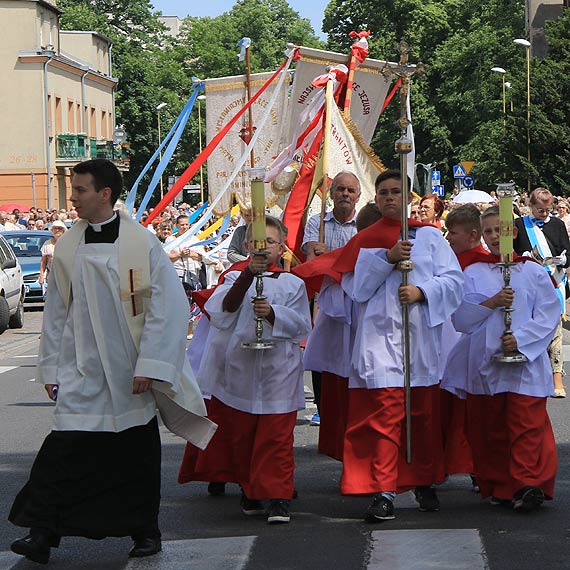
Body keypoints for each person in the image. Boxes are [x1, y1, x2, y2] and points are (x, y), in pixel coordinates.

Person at [8, 159, 215, 564]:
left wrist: (151, 365)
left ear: (104, 193)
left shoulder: (142, 243)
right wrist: (50, 368)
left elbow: (167, 308)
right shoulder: (68, 244)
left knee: (133, 458)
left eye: (80, 190)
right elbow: (56, 312)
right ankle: (42, 531)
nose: (73, 199)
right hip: (82, 367)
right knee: (62, 451)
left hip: (128, 371)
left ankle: (146, 532)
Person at [298, 169, 463, 522]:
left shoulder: (432, 240)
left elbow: (453, 282)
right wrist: (386, 259)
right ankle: (383, 489)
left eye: (396, 192)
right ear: (375, 199)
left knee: (419, 417)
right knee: (381, 420)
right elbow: (355, 290)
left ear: (408, 199)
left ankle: (422, 479)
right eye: (383, 192)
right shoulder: (365, 240)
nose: (389, 198)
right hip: (378, 345)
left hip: (418, 342)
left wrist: (423, 291)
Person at [178, 216, 312, 524]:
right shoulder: (232, 278)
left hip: (278, 370)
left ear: (283, 248)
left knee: (276, 438)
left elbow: (302, 324)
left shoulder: (293, 283)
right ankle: (252, 490)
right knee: (244, 436)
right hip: (240, 369)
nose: (263, 248)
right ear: (248, 246)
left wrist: (274, 314)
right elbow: (223, 310)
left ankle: (279, 496)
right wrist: (246, 277)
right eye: (257, 242)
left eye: (271, 243)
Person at [442, 206, 559, 511]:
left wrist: (520, 339)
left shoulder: (532, 272)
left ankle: (527, 483)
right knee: (491, 428)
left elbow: (548, 314)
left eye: (501, 230)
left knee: (526, 426)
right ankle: (499, 484)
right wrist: (491, 303)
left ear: (513, 233)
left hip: (525, 364)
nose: (495, 236)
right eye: (489, 231)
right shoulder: (473, 272)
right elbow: (461, 320)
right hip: (485, 363)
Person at [302, 171, 361, 426]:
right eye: (340, 189)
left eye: (350, 190)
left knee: (353, 353)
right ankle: (321, 406)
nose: (345, 195)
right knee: (321, 351)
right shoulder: (318, 222)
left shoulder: (365, 225)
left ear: (358, 196)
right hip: (326, 298)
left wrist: (333, 257)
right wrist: (346, 258)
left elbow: (364, 262)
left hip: (358, 298)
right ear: (332, 193)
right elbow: (313, 261)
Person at [513, 187, 570, 398]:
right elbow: (509, 252)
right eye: (540, 210)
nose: (545, 214)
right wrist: (523, 255)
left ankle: (557, 377)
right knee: (531, 327)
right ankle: (533, 375)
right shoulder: (520, 225)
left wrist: (564, 259)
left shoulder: (557, 224)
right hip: (528, 284)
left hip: (554, 282)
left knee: (554, 330)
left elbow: (568, 251)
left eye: (548, 210)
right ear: (530, 206)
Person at [39, 220, 67, 290]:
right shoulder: (47, 243)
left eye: (59, 228)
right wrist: (41, 276)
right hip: (51, 276)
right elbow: (43, 262)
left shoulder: (68, 243)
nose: (57, 230)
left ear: (63, 230)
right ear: (52, 230)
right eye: (55, 228)